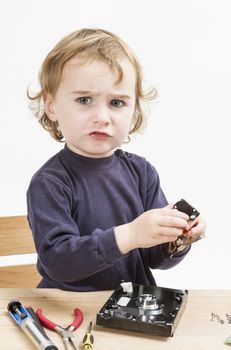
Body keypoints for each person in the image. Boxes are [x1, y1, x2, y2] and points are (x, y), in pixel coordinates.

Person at [27, 28, 206, 292]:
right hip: (67, 308)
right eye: (84, 100)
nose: (102, 116)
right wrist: (130, 234)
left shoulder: (142, 173)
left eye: (117, 103)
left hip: (128, 308)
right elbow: (58, 261)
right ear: (52, 106)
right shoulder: (50, 182)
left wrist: (178, 238)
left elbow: (155, 258)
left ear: (134, 111)